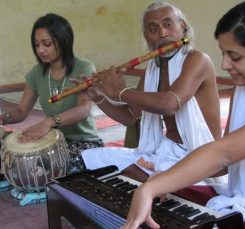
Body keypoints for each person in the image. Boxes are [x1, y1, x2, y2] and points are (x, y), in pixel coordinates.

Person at [121, 0, 245, 228]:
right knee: (162, 202)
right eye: (223, 54)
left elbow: (224, 154)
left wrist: (153, 186)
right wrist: (166, 180)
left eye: (235, 57)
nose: (224, 65)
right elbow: (226, 162)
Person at [80, 1, 225, 184]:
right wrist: (99, 98)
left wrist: (120, 91)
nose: (163, 33)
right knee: (94, 158)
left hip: (201, 156)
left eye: (168, 24)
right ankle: (156, 180)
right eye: (153, 28)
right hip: (167, 152)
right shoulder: (153, 70)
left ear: (183, 27)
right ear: (146, 38)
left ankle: (157, 182)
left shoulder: (197, 60)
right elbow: (131, 117)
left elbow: (169, 104)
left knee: (123, 173)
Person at [0, 13, 103, 177]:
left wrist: (49, 121)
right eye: (36, 44)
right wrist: (4, 117)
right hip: (52, 140)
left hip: (83, 142)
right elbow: (21, 111)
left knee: (48, 169)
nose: (40, 50)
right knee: (8, 153)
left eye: (47, 44)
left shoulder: (84, 68)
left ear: (63, 41)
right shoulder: (37, 73)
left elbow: (83, 110)